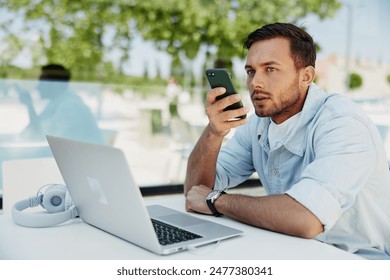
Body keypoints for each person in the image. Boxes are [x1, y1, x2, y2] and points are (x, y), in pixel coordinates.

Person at [184, 23, 390, 259]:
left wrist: (219, 201)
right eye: (251, 71)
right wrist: (213, 133)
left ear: (306, 76)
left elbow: (306, 218)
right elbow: (195, 193)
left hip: (360, 261)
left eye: (270, 69)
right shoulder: (258, 125)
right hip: (295, 251)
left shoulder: (342, 123)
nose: (255, 83)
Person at [17, 64, 105, 144]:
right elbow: (33, 130)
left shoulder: (70, 106)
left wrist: (29, 105)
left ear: (55, 84)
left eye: (42, 82)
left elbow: (41, 136)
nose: (38, 86)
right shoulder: (54, 103)